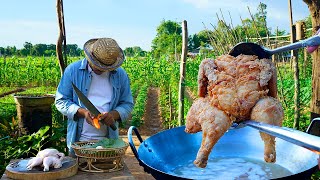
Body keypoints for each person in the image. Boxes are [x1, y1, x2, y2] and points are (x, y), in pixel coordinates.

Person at [55, 38, 134, 157]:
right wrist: (82, 112)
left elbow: (127, 104)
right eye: (98, 66)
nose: (101, 69)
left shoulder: (120, 75)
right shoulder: (73, 71)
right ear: (90, 57)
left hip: (109, 144)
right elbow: (61, 101)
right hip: (79, 143)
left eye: (105, 67)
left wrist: (113, 115)